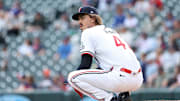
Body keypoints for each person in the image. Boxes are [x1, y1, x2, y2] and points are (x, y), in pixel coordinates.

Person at [67, 6, 143, 101]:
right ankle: (123, 96)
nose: (79, 22)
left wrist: (74, 80)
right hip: (138, 79)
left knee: (73, 77)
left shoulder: (87, 32)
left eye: (82, 18)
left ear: (93, 19)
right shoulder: (111, 31)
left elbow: (85, 64)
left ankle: (109, 99)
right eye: (78, 19)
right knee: (109, 69)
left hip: (120, 79)